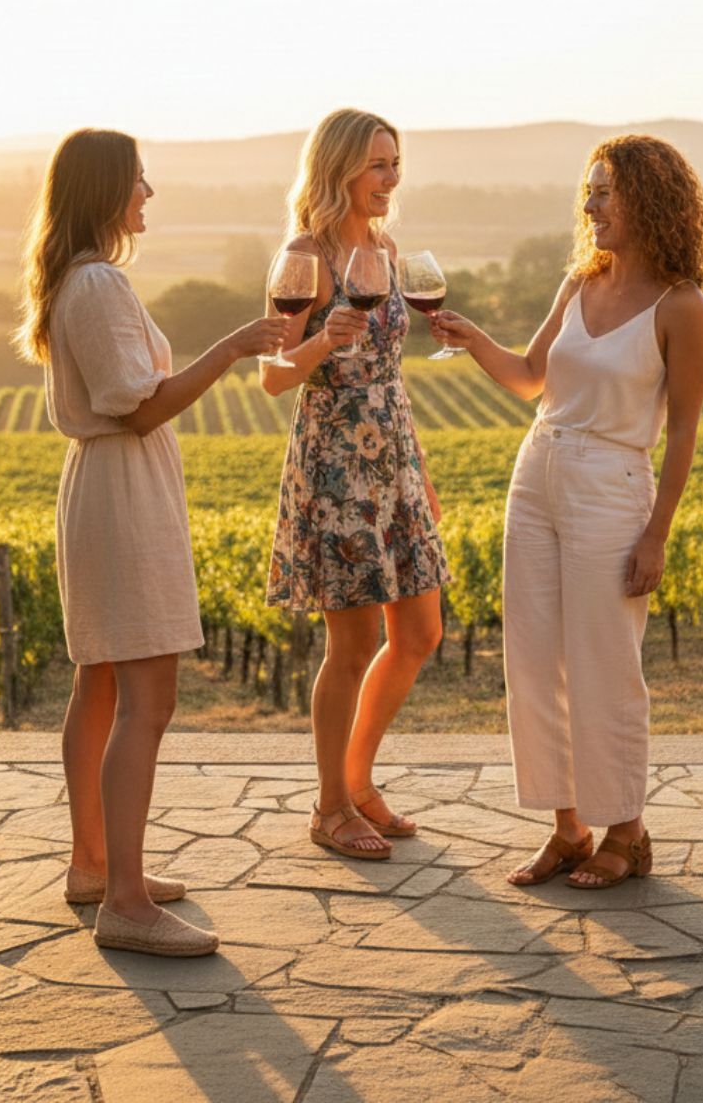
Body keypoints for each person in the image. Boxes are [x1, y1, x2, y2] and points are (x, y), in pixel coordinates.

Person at [15, 127, 286, 955]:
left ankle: (94, 866)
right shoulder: (97, 285)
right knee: (146, 699)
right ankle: (125, 904)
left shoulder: (84, 280)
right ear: (104, 191)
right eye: (139, 179)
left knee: (100, 683)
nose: (150, 193)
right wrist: (233, 348)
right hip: (122, 493)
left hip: (110, 489)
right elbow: (138, 406)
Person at [432, 135, 703, 889]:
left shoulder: (680, 306)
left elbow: (684, 429)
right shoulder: (579, 282)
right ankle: (567, 830)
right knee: (532, 660)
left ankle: (627, 831)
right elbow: (530, 377)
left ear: (650, 201)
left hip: (611, 486)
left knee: (604, 665)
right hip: (539, 470)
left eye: (604, 193)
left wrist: (657, 533)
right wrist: (471, 340)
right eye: (587, 192)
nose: (589, 206)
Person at [261, 108, 449, 861]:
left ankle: (360, 783)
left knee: (420, 633)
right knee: (353, 642)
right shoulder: (304, 256)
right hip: (336, 466)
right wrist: (320, 342)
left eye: (395, 162)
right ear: (339, 169)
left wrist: (420, 475)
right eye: (377, 164)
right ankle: (331, 807)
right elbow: (274, 377)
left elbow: (393, 374)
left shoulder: (385, 246)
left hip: (394, 460)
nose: (391, 177)